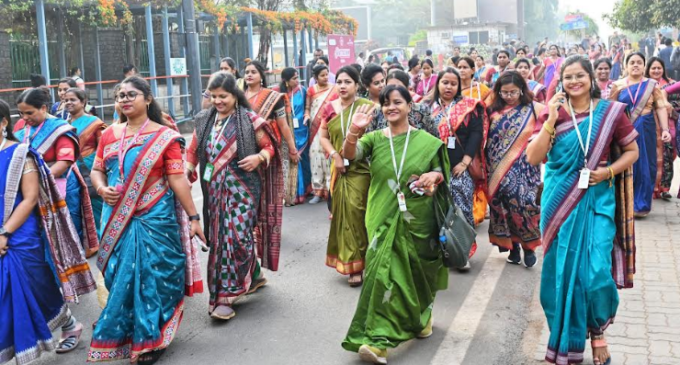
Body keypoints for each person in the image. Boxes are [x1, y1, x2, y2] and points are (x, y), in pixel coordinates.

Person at [526, 55, 639, 365]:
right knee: (559, 276)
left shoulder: (611, 113)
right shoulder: (556, 114)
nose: (574, 81)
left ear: (592, 78)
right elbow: (534, 157)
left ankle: (598, 331)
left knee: (596, 273)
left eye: (580, 75)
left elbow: (632, 151)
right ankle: (570, 340)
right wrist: (549, 118)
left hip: (597, 199)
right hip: (558, 203)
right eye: (568, 77)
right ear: (560, 82)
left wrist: (609, 172)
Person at [88, 76, 205, 363]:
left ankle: (151, 337)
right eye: (120, 96)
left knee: (153, 276)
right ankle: (128, 325)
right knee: (119, 276)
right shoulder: (109, 134)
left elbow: (178, 178)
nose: (124, 100)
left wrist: (193, 216)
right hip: (116, 218)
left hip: (155, 217)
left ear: (147, 99)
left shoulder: (165, 137)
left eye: (131, 94)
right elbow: (96, 170)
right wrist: (102, 189)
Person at [340, 85, 450, 364]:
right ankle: (378, 340)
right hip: (382, 214)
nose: (391, 107)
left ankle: (422, 316)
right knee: (381, 276)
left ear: (409, 106)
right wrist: (354, 131)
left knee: (417, 273)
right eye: (386, 103)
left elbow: (440, 172)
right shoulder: (375, 139)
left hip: (419, 217)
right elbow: (349, 156)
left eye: (397, 102)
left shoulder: (426, 140)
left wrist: (432, 178)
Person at [0, 99, 96, 362]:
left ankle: (68, 323)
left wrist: (5, 232)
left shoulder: (22, 154)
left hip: (19, 230)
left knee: (34, 285)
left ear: (4, 123)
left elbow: (30, 198)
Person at [186, 71, 282, 321]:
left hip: (244, 192)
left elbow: (270, 147)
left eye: (223, 96)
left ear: (235, 96)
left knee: (237, 238)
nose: (218, 101)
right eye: (213, 96)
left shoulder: (250, 120)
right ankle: (250, 277)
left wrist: (259, 157)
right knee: (221, 241)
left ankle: (227, 296)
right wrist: (187, 168)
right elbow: (193, 150)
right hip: (215, 193)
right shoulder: (204, 120)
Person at [14, 88, 100, 258]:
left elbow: (64, 162)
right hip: (32, 191)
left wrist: (35, 180)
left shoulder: (59, 129)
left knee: (65, 233)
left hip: (60, 187)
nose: (24, 118)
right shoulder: (23, 130)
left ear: (44, 108)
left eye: (29, 112)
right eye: (21, 113)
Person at [318, 66, 373, 286]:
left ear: (357, 85)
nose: (342, 86)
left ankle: (365, 261)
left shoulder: (367, 108)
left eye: (347, 82)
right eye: (339, 81)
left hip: (363, 169)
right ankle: (352, 263)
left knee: (360, 216)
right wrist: (334, 155)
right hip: (340, 169)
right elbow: (323, 136)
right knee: (344, 216)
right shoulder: (330, 108)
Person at [429, 67, 486, 267]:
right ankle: (440, 252)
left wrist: (465, 162)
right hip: (433, 167)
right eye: (445, 82)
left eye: (454, 84)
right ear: (438, 84)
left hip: (458, 167)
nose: (449, 87)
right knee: (435, 211)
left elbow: (476, 134)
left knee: (461, 210)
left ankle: (463, 252)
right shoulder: (427, 107)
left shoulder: (469, 107)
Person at [486, 71, 542, 267]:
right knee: (501, 206)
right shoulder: (492, 110)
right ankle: (513, 248)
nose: (509, 96)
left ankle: (528, 246)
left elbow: (546, 133)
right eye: (504, 93)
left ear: (521, 90)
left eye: (513, 92)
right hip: (495, 167)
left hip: (525, 167)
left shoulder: (535, 109)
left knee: (523, 203)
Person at [609, 52, 671, 217]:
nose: (635, 65)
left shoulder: (652, 85)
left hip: (646, 128)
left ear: (644, 66)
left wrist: (665, 129)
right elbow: (610, 108)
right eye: (632, 62)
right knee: (627, 163)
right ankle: (625, 203)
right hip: (624, 130)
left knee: (646, 165)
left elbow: (660, 107)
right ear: (626, 66)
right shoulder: (617, 85)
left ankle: (641, 205)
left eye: (639, 62)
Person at [243, 61, 299, 206]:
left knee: (266, 190)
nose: (249, 75)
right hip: (244, 148)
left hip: (268, 148)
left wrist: (292, 149)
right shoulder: (238, 97)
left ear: (261, 76)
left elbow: (283, 125)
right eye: (247, 72)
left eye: (253, 72)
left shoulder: (273, 98)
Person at [63, 88, 107, 229]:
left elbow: (104, 147)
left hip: (90, 171)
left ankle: (102, 241)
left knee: (96, 209)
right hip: (70, 173)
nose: (68, 102)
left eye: (73, 100)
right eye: (66, 100)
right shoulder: (63, 124)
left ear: (83, 102)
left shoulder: (94, 122)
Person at [366, 70, 437, 136]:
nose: (394, 92)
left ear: (408, 89)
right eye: (390, 88)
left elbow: (434, 139)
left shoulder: (422, 110)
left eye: (399, 88)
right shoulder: (377, 112)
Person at [305, 65, 338, 205]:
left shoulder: (335, 89)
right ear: (315, 77)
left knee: (328, 156)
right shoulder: (311, 90)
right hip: (314, 128)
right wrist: (306, 116)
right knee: (315, 157)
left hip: (329, 125)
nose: (325, 77)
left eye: (327, 74)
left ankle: (331, 190)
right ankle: (317, 191)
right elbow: (307, 108)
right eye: (322, 75)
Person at [278, 67, 311, 205]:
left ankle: (304, 191)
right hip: (286, 131)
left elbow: (307, 108)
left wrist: (306, 115)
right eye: (294, 78)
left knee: (302, 160)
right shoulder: (278, 94)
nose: (297, 81)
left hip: (301, 131)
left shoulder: (303, 91)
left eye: (297, 77)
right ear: (286, 81)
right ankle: (292, 194)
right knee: (291, 160)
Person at [645, 57, 676, 200]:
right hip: (649, 127)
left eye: (659, 68)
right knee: (651, 157)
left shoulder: (671, 84)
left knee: (667, 157)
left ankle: (664, 188)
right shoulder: (643, 85)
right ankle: (650, 188)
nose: (656, 71)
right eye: (653, 68)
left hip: (667, 127)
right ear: (648, 70)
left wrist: (671, 107)